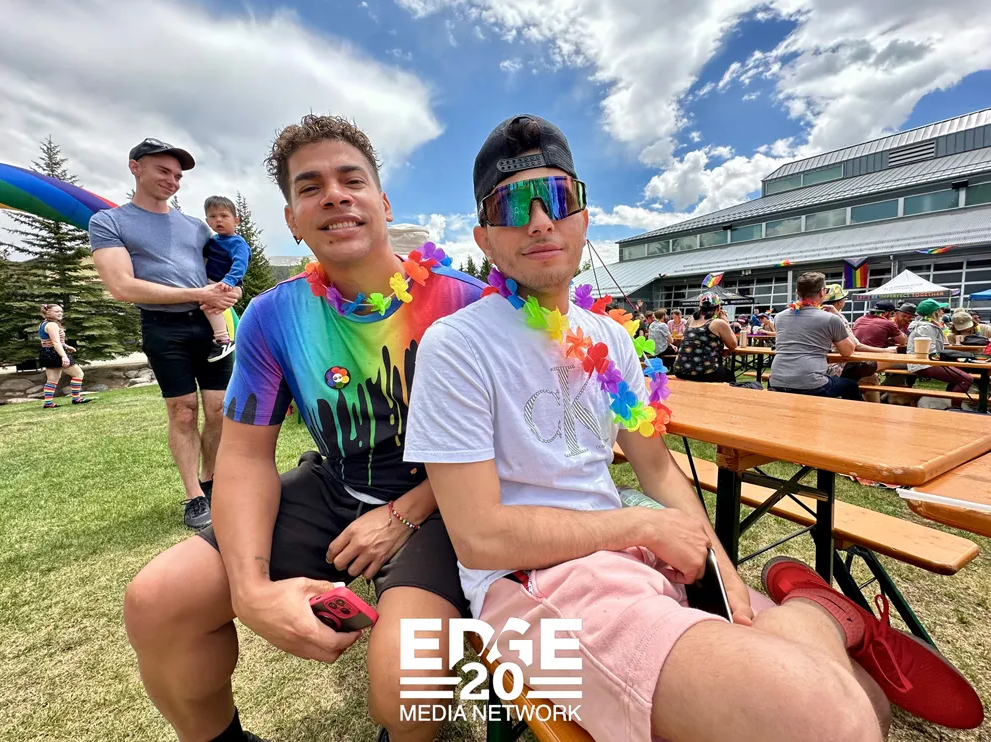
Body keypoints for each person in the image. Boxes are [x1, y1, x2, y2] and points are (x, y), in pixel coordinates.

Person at [402, 113, 984, 742]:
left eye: (558, 198)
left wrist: (721, 565)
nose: (540, 220)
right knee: (838, 719)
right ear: (485, 238)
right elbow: (480, 539)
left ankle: (818, 612)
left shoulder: (610, 340)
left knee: (868, 704)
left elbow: (656, 470)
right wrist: (642, 526)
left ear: (584, 220)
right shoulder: (457, 345)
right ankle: (821, 614)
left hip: (635, 555)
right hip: (534, 583)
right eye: (513, 205)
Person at [122, 115, 484, 742]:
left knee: (405, 679)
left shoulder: (469, 303)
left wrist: (404, 513)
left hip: (449, 502)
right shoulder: (273, 315)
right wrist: (250, 589)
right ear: (292, 218)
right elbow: (243, 458)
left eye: (352, 181)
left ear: (383, 202)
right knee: (159, 601)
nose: (335, 196)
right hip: (336, 485)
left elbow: (511, 448)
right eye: (311, 187)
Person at [90, 139, 239, 529]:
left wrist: (230, 289)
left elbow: (219, 272)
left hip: (208, 325)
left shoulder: (196, 227)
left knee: (219, 409)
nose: (172, 180)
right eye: (163, 171)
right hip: (163, 327)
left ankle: (211, 480)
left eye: (177, 175)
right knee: (183, 411)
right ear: (135, 167)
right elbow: (122, 287)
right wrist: (199, 294)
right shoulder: (109, 222)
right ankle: (194, 496)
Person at [769, 273, 860, 400]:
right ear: (822, 292)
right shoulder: (830, 319)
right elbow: (848, 351)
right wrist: (838, 316)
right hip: (811, 383)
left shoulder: (779, 317)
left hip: (777, 380)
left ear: (797, 292)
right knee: (851, 386)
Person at [202, 196, 251, 362]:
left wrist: (229, 281)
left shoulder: (237, 243)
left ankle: (223, 340)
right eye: (213, 216)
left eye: (224, 216)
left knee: (209, 306)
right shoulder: (214, 240)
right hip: (214, 281)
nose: (218, 220)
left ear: (236, 220)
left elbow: (240, 264)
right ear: (207, 221)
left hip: (223, 283)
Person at [907, 300, 972, 408]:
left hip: (925, 362)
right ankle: (956, 408)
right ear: (935, 312)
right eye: (941, 309)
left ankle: (953, 401)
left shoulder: (927, 325)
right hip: (923, 364)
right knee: (966, 379)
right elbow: (930, 352)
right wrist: (945, 360)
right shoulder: (926, 327)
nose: (943, 312)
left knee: (962, 372)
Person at [36, 303, 94, 408]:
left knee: (52, 380)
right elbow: (55, 342)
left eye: (61, 311)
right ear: (48, 312)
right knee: (78, 374)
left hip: (46, 352)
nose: (60, 313)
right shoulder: (52, 325)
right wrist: (64, 356)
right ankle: (77, 398)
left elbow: (48, 341)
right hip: (56, 353)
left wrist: (67, 346)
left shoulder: (43, 324)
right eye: (57, 311)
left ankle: (48, 403)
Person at [672, 292, 738, 383]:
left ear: (700, 308)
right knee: (730, 376)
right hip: (705, 373)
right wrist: (725, 321)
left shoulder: (690, 320)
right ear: (718, 308)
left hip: (679, 370)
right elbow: (733, 344)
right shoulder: (718, 323)